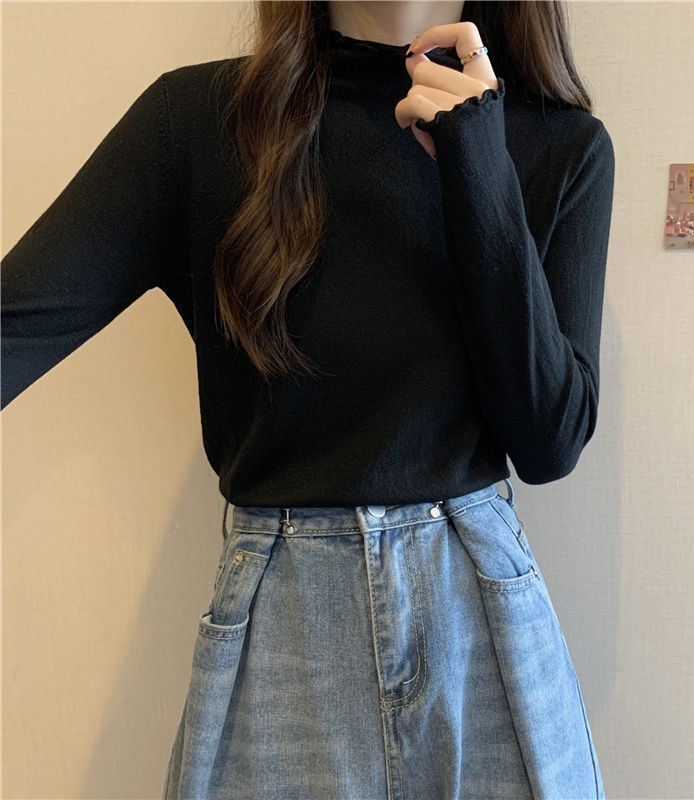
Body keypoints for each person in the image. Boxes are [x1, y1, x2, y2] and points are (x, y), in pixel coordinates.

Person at [1, 2, 614, 797]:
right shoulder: (196, 125)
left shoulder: (560, 145)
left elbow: (549, 442)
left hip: (480, 629)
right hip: (281, 632)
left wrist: (480, 163)